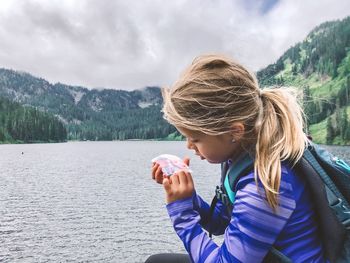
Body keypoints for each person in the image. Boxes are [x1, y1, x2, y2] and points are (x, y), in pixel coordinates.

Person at [146, 54, 326, 263]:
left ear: (234, 131)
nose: (189, 146)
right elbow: (218, 223)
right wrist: (187, 196)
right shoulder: (242, 159)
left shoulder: (264, 185)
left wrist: (181, 213)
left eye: (195, 138)